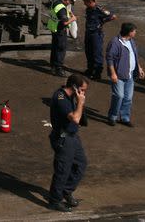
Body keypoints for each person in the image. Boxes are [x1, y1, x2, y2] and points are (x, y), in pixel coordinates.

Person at [47, 73, 89, 213]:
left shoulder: (72, 96)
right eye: (82, 89)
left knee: (81, 164)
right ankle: (54, 200)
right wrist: (81, 103)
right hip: (63, 138)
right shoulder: (61, 98)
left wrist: (79, 102)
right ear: (75, 87)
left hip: (73, 137)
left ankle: (67, 190)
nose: (83, 93)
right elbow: (75, 119)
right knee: (63, 170)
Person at [106, 23, 145, 126]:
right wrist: (113, 74)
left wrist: (139, 68)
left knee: (128, 98)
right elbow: (109, 59)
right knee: (119, 96)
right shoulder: (115, 43)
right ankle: (112, 116)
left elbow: (134, 56)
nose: (135, 32)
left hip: (130, 74)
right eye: (134, 31)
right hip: (118, 75)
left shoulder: (131, 41)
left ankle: (125, 118)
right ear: (129, 32)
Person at [82, 0, 116, 80]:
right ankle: (90, 69)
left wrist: (102, 22)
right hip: (89, 33)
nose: (84, 4)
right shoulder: (88, 9)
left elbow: (113, 16)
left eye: (85, 3)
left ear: (90, 2)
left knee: (97, 53)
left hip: (96, 34)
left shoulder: (99, 9)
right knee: (88, 52)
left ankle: (97, 73)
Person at [48, 0, 77, 77]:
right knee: (61, 49)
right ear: (66, 0)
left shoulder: (56, 2)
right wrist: (73, 19)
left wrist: (68, 12)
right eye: (70, 2)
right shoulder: (61, 8)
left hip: (54, 29)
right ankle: (59, 69)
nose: (69, 4)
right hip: (60, 31)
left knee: (54, 48)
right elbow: (64, 22)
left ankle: (53, 66)